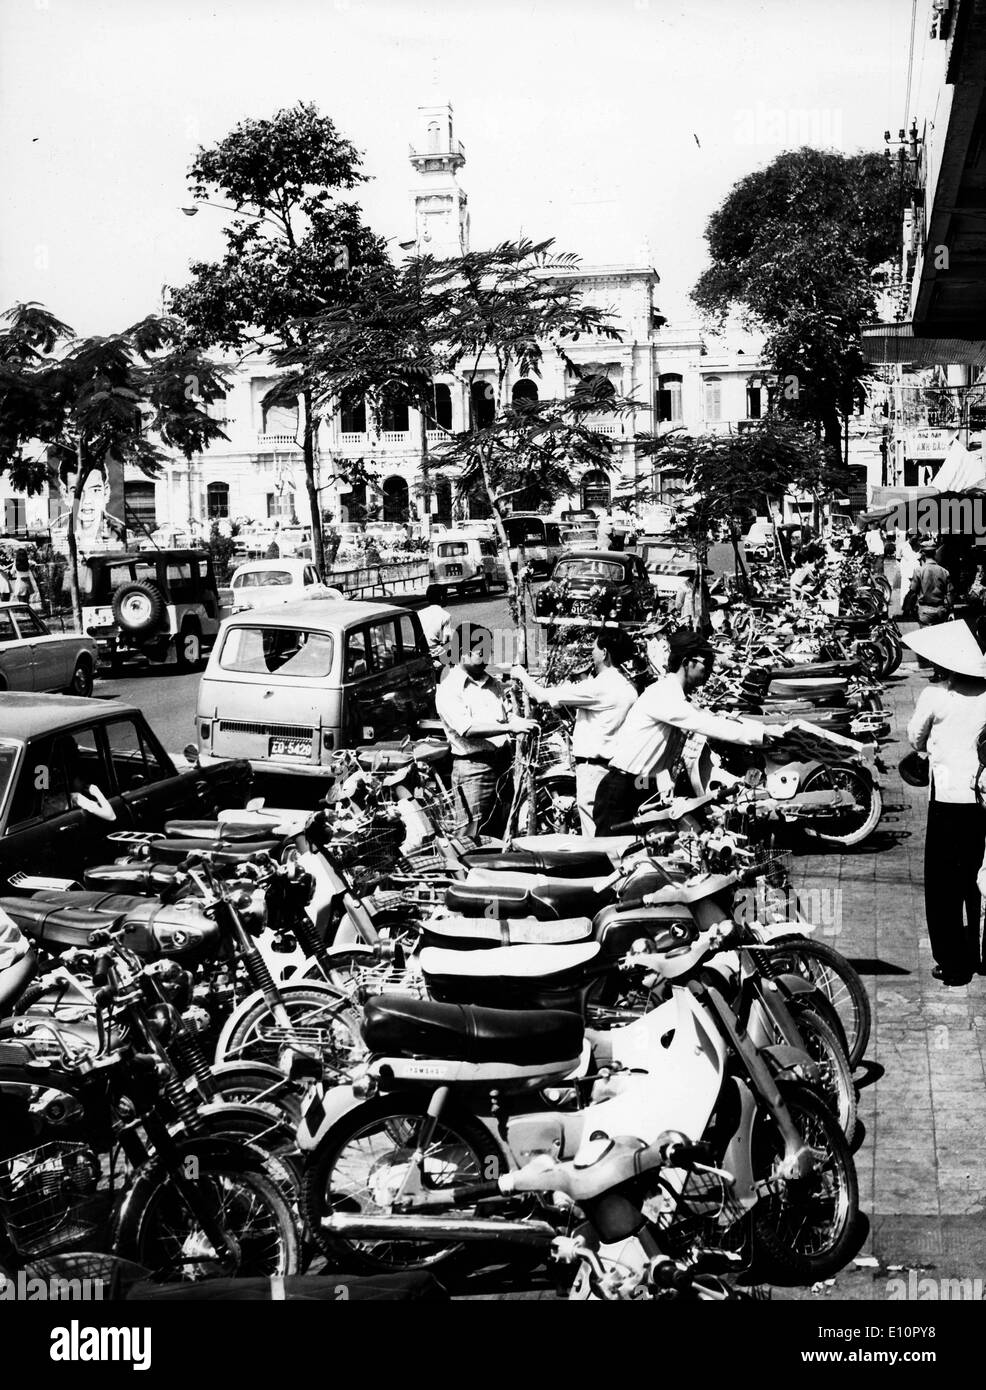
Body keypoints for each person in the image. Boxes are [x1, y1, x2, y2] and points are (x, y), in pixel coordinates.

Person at [592, 630, 788, 833]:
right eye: (707, 662)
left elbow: (711, 718)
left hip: (641, 785)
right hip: (621, 788)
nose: (710, 669)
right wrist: (762, 734)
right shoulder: (664, 694)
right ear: (687, 662)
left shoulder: (676, 696)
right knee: (612, 855)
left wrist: (764, 728)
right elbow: (707, 724)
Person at [904, 620, 986, 985]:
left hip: (949, 800)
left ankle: (953, 964)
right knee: (979, 878)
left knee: (944, 886)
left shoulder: (936, 697)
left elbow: (915, 740)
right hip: (983, 797)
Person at [511, 628, 638, 834]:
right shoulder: (627, 686)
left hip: (595, 771)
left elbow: (543, 696)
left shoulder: (601, 686)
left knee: (593, 834)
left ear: (604, 652)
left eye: (595, 648)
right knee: (611, 830)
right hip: (615, 769)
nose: (592, 653)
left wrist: (521, 675)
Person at [435, 622, 537, 840]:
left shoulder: (493, 684)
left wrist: (525, 723)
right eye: (481, 652)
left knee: (502, 830)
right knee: (470, 835)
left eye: (489, 652)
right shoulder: (450, 688)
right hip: (474, 769)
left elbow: (507, 715)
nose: (487, 658)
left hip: (501, 764)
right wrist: (510, 727)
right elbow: (467, 729)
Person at [906, 542, 953, 667]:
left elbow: (913, 592)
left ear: (923, 554)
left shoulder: (919, 571)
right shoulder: (944, 572)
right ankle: (941, 668)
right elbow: (949, 594)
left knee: (929, 642)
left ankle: (937, 670)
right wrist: (950, 610)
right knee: (939, 641)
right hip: (941, 610)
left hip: (925, 611)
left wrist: (910, 608)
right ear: (935, 553)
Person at [418, 587, 452, 672]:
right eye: (445, 596)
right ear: (441, 598)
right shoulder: (446, 615)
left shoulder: (419, 613)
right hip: (436, 655)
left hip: (421, 654)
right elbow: (446, 640)